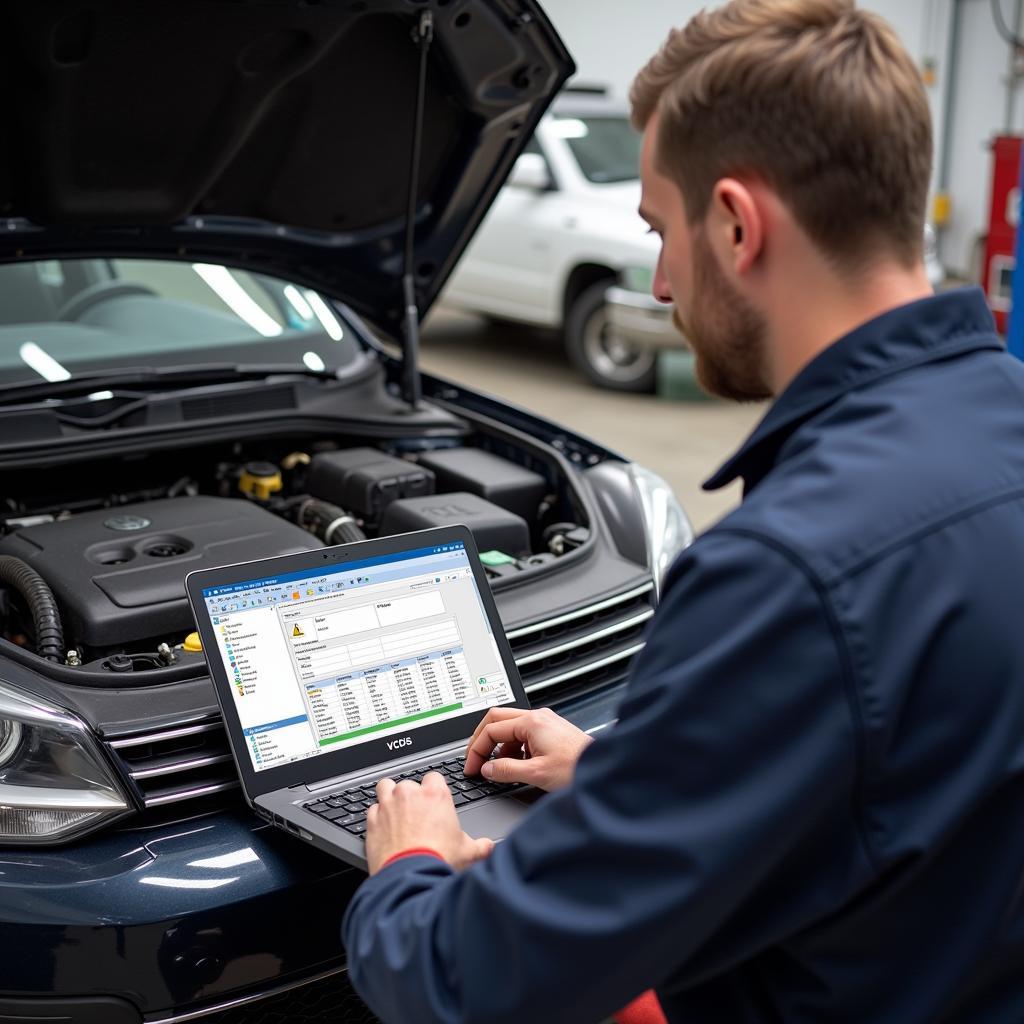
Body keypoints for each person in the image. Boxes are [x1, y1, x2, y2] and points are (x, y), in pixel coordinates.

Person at [342, 1, 1024, 1020]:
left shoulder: (793, 571)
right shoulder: (999, 422)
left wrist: (408, 872)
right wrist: (627, 776)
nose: (661, 280)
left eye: (661, 229)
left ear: (739, 225)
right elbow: (907, 760)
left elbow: (467, 981)